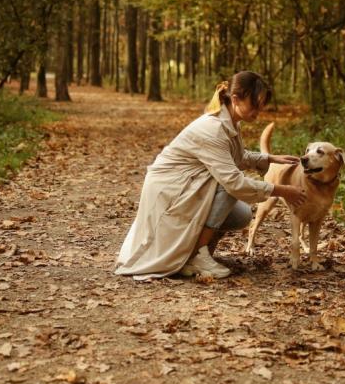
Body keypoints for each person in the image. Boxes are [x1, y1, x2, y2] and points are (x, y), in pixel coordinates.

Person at [114, 71, 307, 280]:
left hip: (188, 185)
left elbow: (236, 156)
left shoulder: (231, 121)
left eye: (261, 105)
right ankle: (197, 254)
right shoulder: (213, 128)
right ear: (235, 99)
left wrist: (269, 159)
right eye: (255, 105)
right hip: (170, 190)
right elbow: (234, 182)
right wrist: (282, 191)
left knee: (240, 214)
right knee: (230, 186)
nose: (259, 111)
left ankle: (197, 253)